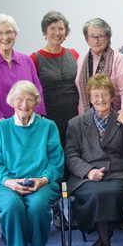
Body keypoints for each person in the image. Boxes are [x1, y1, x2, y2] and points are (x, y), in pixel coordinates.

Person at [0, 81, 64, 246]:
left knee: (37, 206)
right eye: (19, 99)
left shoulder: (48, 126)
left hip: (41, 182)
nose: (24, 104)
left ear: (36, 102)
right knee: (12, 206)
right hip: (5, 183)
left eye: (29, 99)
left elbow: (56, 161)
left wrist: (43, 179)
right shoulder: (1, 128)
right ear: (12, 102)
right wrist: (9, 181)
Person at [65, 74, 123, 246]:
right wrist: (88, 171)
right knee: (96, 193)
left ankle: (103, 244)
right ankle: (106, 245)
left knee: (109, 192)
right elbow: (71, 156)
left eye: (105, 95)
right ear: (89, 98)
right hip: (86, 176)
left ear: (112, 97)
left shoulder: (121, 120)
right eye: (96, 96)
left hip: (116, 174)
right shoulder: (76, 123)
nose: (100, 100)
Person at [0, 14, 46, 142]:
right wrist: (3, 124)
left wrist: (37, 117)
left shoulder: (26, 60)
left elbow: (37, 91)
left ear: (15, 35)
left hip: (27, 128)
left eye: (9, 32)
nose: (5, 37)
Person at [31, 11, 78, 149]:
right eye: (52, 28)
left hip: (75, 117)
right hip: (49, 118)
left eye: (61, 28)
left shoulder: (74, 54)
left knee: (75, 154)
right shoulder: (34, 59)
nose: (57, 32)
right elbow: (31, 91)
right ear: (45, 32)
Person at [75, 18, 123, 120]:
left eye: (101, 36)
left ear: (108, 37)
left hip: (114, 121)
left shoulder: (118, 59)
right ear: (86, 39)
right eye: (92, 36)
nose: (96, 40)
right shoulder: (81, 58)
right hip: (86, 122)